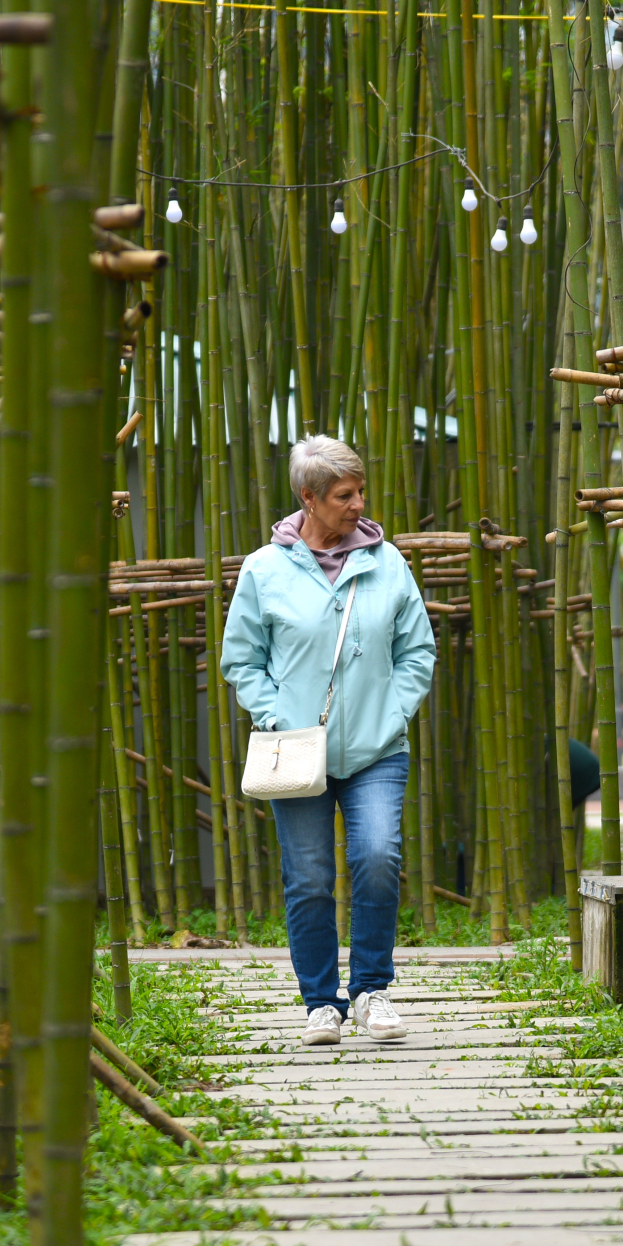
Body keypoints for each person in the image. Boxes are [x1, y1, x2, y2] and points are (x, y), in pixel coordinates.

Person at [221, 435, 436, 1046]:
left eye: (361, 491)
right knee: (310, 877)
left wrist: (393, 713)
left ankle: (371, 990)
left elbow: (416, 651)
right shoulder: (265, 569)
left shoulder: (387, 561)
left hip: (376, 749)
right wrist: (274, 716)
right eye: (345, 495)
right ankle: (322, 1003)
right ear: (308, 498)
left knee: (376, 860)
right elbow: (243, 661)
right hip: (295, 751)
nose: (359, 504)